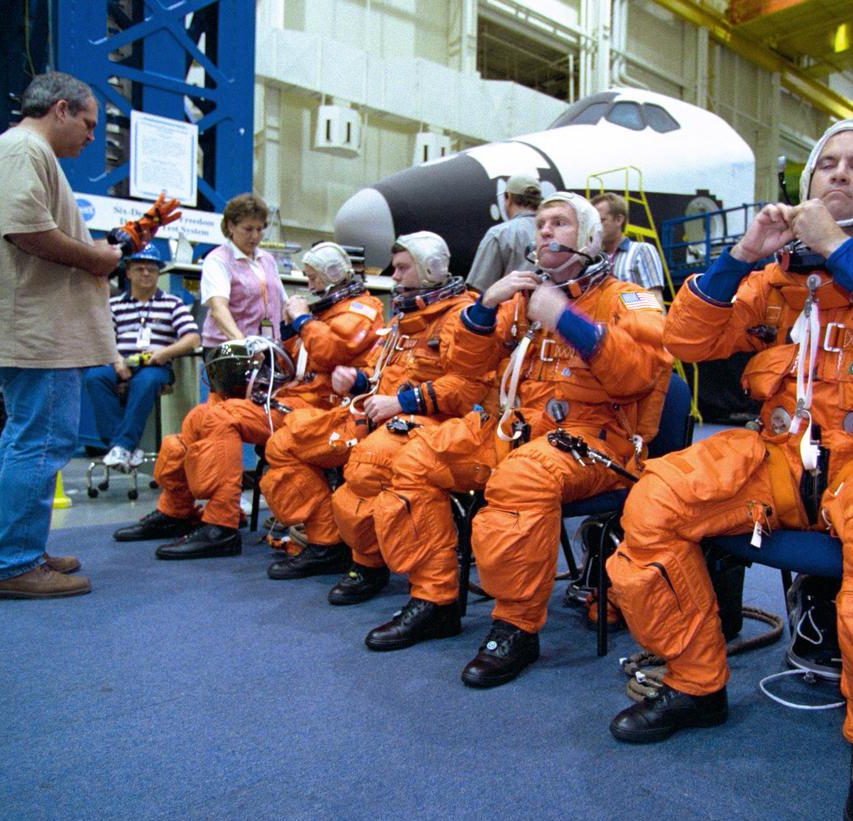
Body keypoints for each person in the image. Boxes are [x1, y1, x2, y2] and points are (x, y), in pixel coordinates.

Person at [601, 119, 853, 821]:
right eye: (827, 166)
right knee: (654, 499)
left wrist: (841, 249)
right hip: (783, 455)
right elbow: (688, 339)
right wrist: (739, 257)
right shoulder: (779, 275)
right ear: (808, 184)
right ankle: (694, 680)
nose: (840, 176)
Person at [365, 192, 670, 674]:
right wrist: (487, 305)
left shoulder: (626, 299)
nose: (545, 231)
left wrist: (567, 321)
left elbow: (639, 377)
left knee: (523, 478)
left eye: (560, 223)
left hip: (595, 440)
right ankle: (436, 599)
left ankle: (516, 626)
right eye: (541, 224)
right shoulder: (522, 297)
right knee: (415, 460)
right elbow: (466, 369)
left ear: (590, 238)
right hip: (516, 429)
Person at [112, 242, 383, 559]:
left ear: (332, 274)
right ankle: (175, 509)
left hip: (319, 412)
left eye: (312, 278)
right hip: (289, 400)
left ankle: (221, 525)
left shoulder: (361, 311)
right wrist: (273, 341)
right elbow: (292, 359)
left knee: (222, 418)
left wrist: (301, 320)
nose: (309, 285)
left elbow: (331, 351)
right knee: (198, 418)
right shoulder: (323, 311)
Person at [0, 71, 125, 599]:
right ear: (60, 109)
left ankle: (21, 551)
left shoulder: (25, 155)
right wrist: (99, 259)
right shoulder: (21, 151)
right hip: (38, 332)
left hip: (37, 328)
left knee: (31, 442)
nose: (90, 136)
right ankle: (12, 564)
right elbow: (27, 229)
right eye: (87, 123)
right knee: (38, 444)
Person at [259, 231, 484, 583]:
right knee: (284, 444)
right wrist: (358, 381)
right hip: (376, 413)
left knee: (366, 467)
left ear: (430, 268)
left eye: (401, 268)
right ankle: (326, 543)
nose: (393, 277)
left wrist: (400, 402)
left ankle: (370, 564)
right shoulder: (402, 321)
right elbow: (381, 371)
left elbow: (467, 389)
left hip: (430, 423)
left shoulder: (460, 318)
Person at [79, 241, 199, 469]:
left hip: (155, 365)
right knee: (94, 377)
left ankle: (122, 446)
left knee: (147, 381)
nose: (146, 273)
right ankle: (123, 446)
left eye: (152, 269)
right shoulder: (113, 305)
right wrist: (116, 362)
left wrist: (165, 352)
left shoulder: (172, 303)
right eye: (139, 268)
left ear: (158, 272)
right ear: (128, 272)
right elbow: (103, 339)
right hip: (121, 361)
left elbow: (193, 338)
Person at [200, 193, 286, 348]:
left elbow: (282, 303)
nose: (255, 236)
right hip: (229, 349)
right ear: (230, 226)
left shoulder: (267, 259)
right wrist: (243, 345)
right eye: (248, 229)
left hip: (267, 346)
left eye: (259, 229)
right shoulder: (218, 260)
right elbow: (218, 309)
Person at [463, 173, 542, 292]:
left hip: (511, 309)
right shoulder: (554, 231)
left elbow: (478, 289)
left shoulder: (499, 234)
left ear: (508, 198)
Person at [592, 192, 666, 296]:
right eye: (593, 222)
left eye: (601, 220)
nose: (596, 227)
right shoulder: (595, 261)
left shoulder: (641, 251)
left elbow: (654, 297)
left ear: (619, 219)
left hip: (636, 311)